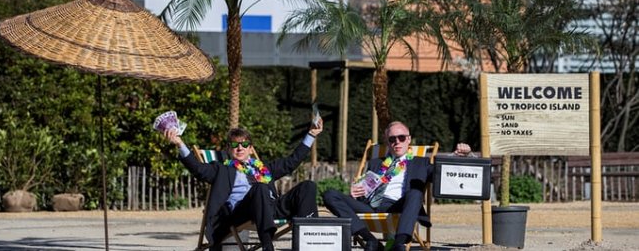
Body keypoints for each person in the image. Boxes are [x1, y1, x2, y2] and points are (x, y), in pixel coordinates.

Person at [163, 118, 323, 251]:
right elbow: (197, 168)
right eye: (234, 145)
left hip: (270, 208)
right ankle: (268, 246)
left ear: (251, 148)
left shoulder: (263, 167)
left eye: (244, 144)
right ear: (228, 149)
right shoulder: (221, 169)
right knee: (259, 187)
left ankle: (309, 240)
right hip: (241, 212)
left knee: (308, 186)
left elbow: (291, 161)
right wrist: (179, 144)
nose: (240, 148)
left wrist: (311, 135)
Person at [322, 121, 472, 251]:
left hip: (400, 205)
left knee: (415, 193)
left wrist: (458, 156)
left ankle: (399, 244)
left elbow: (442, 172)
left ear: (408, 139)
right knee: (329, 195)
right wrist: (355, 192)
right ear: (387, 142)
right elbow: (365, 188)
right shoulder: (375, 163)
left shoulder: (421, 162)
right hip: (372, 205)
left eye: (401, 138)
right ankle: (370, 240)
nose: (397, 142)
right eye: (392, 139)